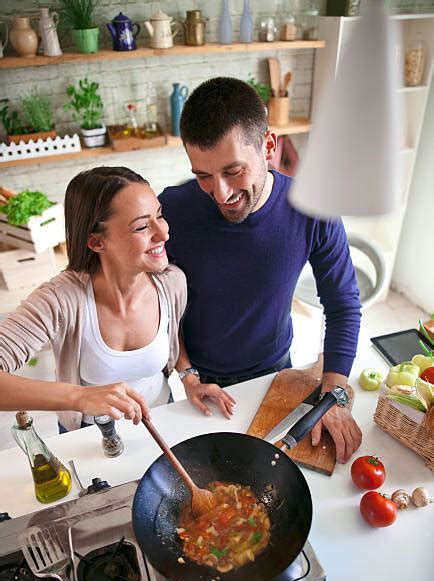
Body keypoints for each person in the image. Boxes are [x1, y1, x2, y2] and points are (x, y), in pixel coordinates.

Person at [159, 77, 363, 463]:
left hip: (277, 373)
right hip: (200, 383)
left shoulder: (312, 209)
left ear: (269, 147)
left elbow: (342, 305)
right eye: (203, 175)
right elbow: (155, 302)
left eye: (233, 171)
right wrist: (185, 374)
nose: (220, 193)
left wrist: (334, 392)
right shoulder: (171, 210)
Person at [0, 166, 234, 432]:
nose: (163, 233)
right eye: (142, 226)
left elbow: (172, 334)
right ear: (97, 242)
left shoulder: (172, 283)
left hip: (160, 420)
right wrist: (79, 397)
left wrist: (189, 379)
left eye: (160, 215)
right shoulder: (60, 301)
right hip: (90, 436)